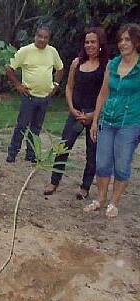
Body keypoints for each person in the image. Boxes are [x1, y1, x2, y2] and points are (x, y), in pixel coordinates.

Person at [44, 28, 108, 199]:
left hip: (94, 116)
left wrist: (93, 115)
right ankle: (54, 181)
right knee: (63, 147)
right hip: (76, 112)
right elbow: (69, 87)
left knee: (91, 153)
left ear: (100, 44)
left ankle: (85, 187)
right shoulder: (77, 63)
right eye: (87, 42)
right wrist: (72, 108)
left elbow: (106, 93)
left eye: (93, 42)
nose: (89, 45)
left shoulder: (106, 66)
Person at [84, 23, 140, 218]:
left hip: (130, 123)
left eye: (127, 39)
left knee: (122, 165)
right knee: (102, 163)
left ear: (136, 42)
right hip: (107, 121)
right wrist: (94, 120)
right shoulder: (112, 64)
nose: (123, 43)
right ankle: (100, 199)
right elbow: (102, 94)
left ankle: (114, 203)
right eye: (121, 40)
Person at [6, 26, 64, 163]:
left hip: (45, 97)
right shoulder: (25, 51)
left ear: (49, 39)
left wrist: (55, 85)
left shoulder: (52, 52)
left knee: (36, 128)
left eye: (45, 37)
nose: (42, 40)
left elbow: (60, 68)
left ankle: (31, 155)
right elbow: (9, 69)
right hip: (29, 96)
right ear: (35, 36)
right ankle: (12, 153)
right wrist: (18, 85)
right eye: (40, 36)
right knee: (21, 126)